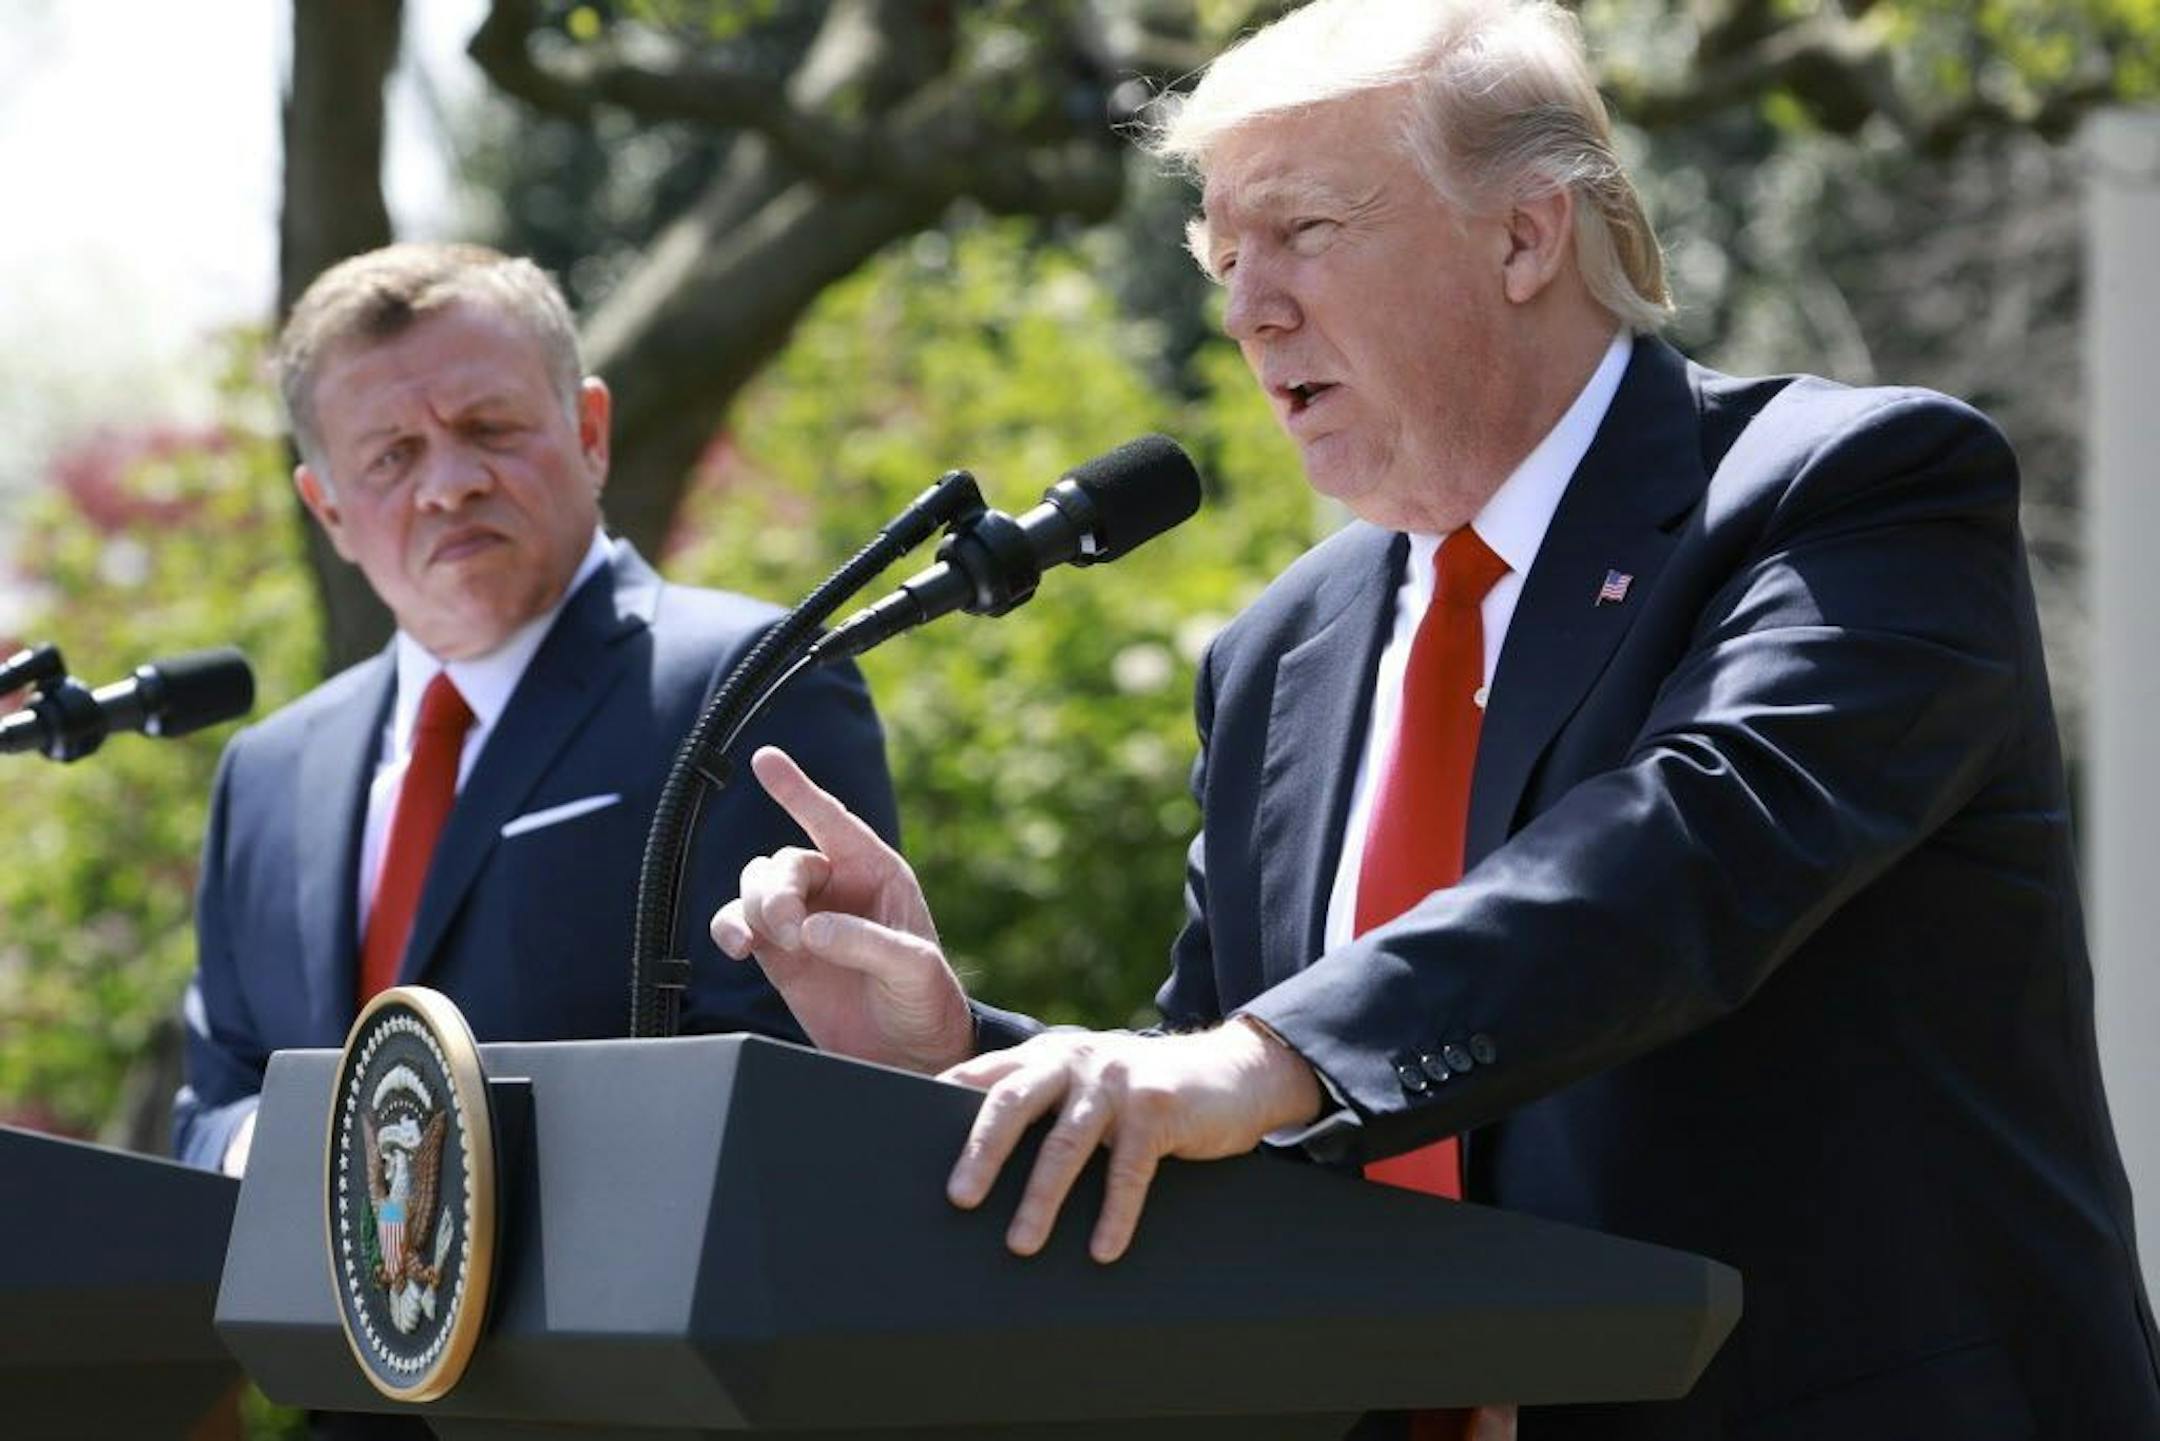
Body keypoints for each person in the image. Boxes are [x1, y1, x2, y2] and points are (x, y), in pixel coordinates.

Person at [710, 1, 2160, 1436]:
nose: (1245, 307)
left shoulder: (1852, 495)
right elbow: (1234, 1086)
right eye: (1225, 253)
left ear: (1527, 236)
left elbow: (1689, 848)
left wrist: (1252, 1063)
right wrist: (956, 1046)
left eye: (1307, 233)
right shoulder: (1284, 650)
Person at [174, 242, 899, 1180]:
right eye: (392, 456)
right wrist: (278, 1157)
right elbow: (214, 1107)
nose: (449, 483)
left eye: (489, 427)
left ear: (590, 431)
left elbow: (798, 1075)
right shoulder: (268, 773)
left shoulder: (750, 684)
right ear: (330, 511)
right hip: (307, 1331)